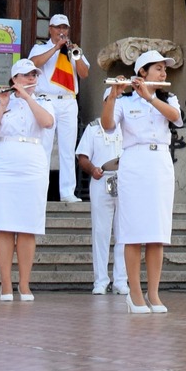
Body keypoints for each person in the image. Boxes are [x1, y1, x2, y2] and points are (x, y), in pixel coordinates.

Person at [101, 49, 180, 314]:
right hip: (134, 162)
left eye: (164, 69)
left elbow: (176, 118)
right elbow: (108, 125)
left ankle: (153, 293)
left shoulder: (168, 98)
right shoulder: (124, 101)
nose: (163, 73)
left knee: (157, 232)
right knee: (133, 232)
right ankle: (134, 293)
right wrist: (113, 96)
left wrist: (150, 97)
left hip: (160, 163)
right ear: (142, 72)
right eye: (158, 68)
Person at [0, 57, 54, 300]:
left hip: (32, 160)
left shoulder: (43, 101)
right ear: (14, 79)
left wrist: (28, 98)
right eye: (26, 75)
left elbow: (47, 122)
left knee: (27, 226)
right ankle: (5, 283)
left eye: (34, 75)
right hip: (5, 161)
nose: (32, 78)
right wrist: (3, 105)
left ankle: (24, 283)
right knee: (4, 224)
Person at [28, 12, 89, 201]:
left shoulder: (73, 49)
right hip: (47, 100)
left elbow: (84, 73)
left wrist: (75, 55)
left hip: (68, 101)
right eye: (58, 27)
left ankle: (67, 192)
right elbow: (33, 64)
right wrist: (55, 48)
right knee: (44, 147)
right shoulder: (40, 48)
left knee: (68, 149)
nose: (61, 31)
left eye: (64, 28)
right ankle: (40, 189)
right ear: (50, 29)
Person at [76, 108, 127, 296]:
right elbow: (82, 157)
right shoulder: (93, 128)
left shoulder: (127, 125)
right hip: (101, 179)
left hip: (124, 180)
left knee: (124, 233)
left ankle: (121, 280)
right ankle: (101, 281)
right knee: (100, 232)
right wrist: (92, 169)